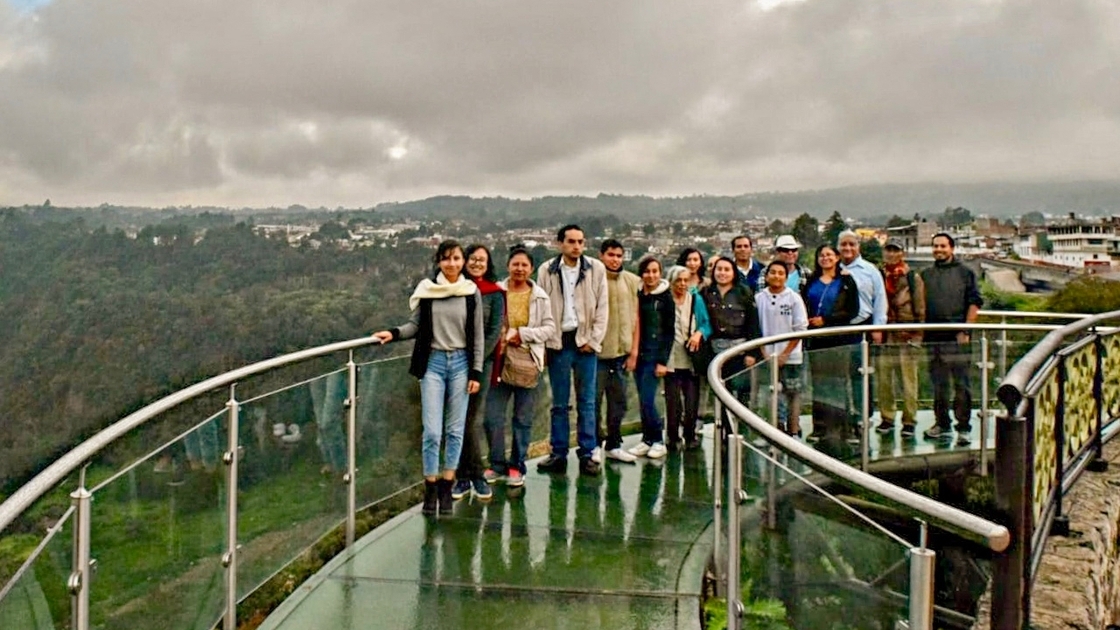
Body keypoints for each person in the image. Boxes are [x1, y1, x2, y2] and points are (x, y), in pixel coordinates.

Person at [372, 240, 484, 516]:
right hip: (433, 363)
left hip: (460, 363)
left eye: (456, 258)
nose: (452, 264)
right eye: (446, 259)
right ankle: (430, 487)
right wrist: (393, 333)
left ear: (463, 261)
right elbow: (415, 325)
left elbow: (478, 335)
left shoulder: (471, 292)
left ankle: (448, 485)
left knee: (455, 430)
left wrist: (476, 372)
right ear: (439, 262)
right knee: (432, 432)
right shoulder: (428, 291)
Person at [536, 224, 610, 476]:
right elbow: (541, 309)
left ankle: (588, 453)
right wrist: (544, 344)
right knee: (559, 402)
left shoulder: (595, 268)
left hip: (585, 342)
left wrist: (594, 339)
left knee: (586, 401)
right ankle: (558, 453)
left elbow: (603, 308)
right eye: (571, 241)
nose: (576, 246)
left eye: (580, 241)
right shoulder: (547, 270)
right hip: (558, 341)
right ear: (560, 244)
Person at [483, 246, 555, 488]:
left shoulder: (540, 296)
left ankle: (517, 465)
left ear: (531, 269)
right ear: (508, 266)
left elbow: (549, 329)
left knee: (522, 419)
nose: (520, 269)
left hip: (526, 363)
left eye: (525, 265)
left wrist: (522, 334)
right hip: (498, 363)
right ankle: (496, 464)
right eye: (516, 264)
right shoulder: (497, 292)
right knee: (493, 416)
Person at [451, 244, 503, 502]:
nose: (477, 263)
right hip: (452, 361)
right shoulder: (453, 288)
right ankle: (464, 476)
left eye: (482, 260)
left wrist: (476, 362)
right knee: (455, 419)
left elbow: (494, 332)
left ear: (488, 263)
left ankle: (475, 476)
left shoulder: (494, 294)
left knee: (467, 419)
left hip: (480, 365)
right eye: (473, 259)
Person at [921, 233, 982, 446]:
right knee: (939, 384)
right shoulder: (926, 274)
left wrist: (965, 330)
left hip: (958, 338)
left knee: (961, 384)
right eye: (935, 246)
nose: (939, 249)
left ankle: (964, 426)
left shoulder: (966, 273)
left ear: (952, 248)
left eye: (943, 246)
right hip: (933, 337)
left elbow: (975, 302)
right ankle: (942, 423)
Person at [801, 244, 859, 443]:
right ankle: (820, 427)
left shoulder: (846, 281)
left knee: (840, 383)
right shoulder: (811, 281)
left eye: (829, 255)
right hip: (816, 340)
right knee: (819, 384)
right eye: (821, 255)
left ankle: (845, 428)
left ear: (836, 258)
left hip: (838, 338)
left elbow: (852, 311)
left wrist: (827, 320)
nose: (825, 258)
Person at [595, 238, 641, 463]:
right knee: (592, 402)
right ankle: (593, 444)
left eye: (619, 256)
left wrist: (634, 351)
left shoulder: (632, 281)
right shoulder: (593, 280)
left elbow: (637, 317)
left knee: (619, 401)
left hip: (622, 354)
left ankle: (614, 444)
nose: (615, 260)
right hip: (597, 354)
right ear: (601, 255)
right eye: (611, 255)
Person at [874, 239, 926, 439]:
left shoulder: (912, 277)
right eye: (888, 250)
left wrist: (918, 335)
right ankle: (887, 417)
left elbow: (920, 308)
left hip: (906, 335)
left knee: (908, 380)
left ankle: (909, 420)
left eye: (895, 250)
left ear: (902, 253)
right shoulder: (879, 275)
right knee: (884, 380)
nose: (891, 254)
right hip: (886, 335)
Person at [837, 230, 888, 434]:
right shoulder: (833, 269)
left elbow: (880, 300)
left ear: (858, 246)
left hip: (863, 328)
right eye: (843, 245)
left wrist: (877, 327)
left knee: (861, 375)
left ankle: (862, 417)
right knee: (839, 377)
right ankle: (842, 417)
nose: (847, 248)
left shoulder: (870, 270)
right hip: (838, 329)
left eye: (852, 244)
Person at [699, 257, 763, 410]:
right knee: (721, 394)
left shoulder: (743, 292)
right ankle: (723, 431)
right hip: (714, 351)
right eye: (719, 269)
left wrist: (752, 353)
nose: (722, 273)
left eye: (726, 270)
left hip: (739, 351)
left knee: (742, 395)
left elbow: (753, 324)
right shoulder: (706, 293)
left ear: (733, 273)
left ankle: (742, 430)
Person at [628, 257, 675, 459]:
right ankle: (647, 439)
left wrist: (663, 361)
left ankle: (657, 440)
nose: (651, 275)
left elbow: (669, 332)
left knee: (648, 399)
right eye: (647, 271)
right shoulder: (637, 293)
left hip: (655, 354)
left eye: (655, 271)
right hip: (638, 353)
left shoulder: (665, 298)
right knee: (642, 399)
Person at [756, 261, 809, 436]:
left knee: (793, 393)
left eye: (781, 273)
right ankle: (774, 430)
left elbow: (800, 328)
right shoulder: (759, 298)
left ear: (786, 277)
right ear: (766, 275)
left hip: (791, 356)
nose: (776, 276)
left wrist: (785, 354)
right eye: (773, 272)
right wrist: (764, 353)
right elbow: (755, 328)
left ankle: (793, 431)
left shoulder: (794, 298)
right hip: (766, 356)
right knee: (770, 394)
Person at [664, 265, 712, 450]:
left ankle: (690, 435)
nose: (682, 284)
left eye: (685, 280)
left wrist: (699, 333)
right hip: (671, 358)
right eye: (678, 280)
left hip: (691, 358)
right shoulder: (666, 300)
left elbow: (706, 324)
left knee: (692, 400)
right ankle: (673, 436)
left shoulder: (695, 300)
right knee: (673, 401)